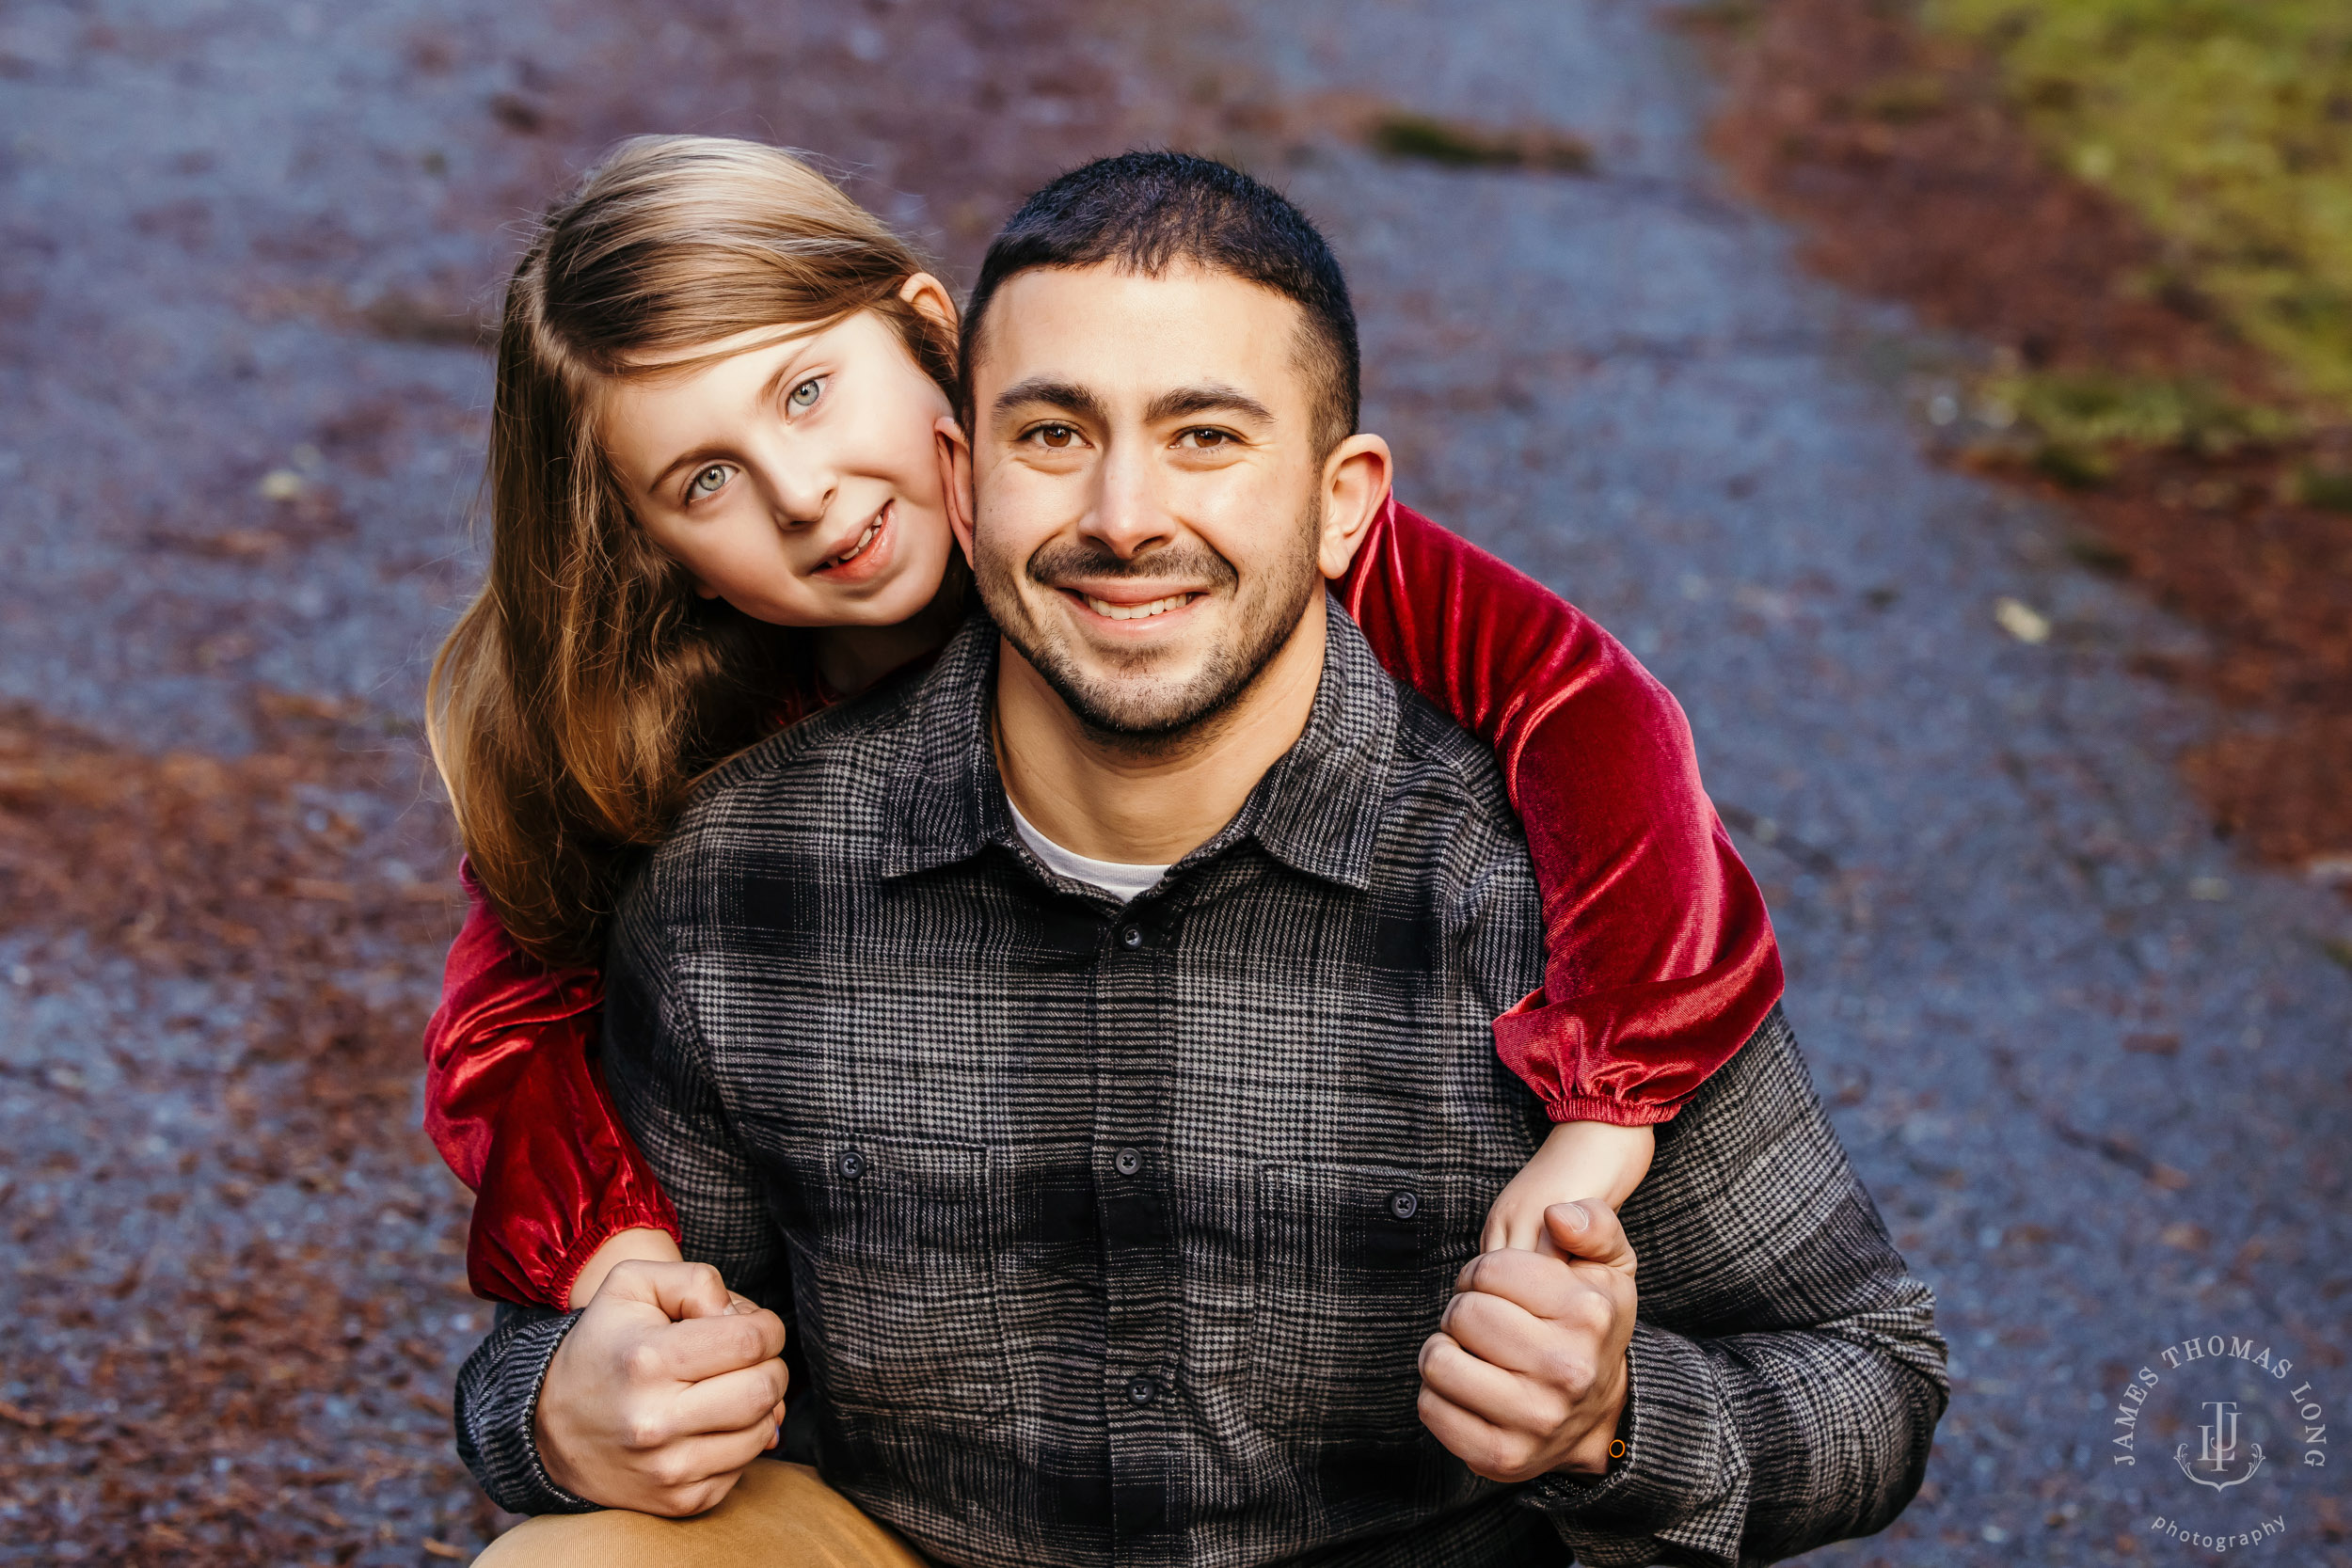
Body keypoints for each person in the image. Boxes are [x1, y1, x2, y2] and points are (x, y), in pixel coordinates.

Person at [453, 150, 1947, 1567]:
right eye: (1056, 435)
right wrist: (557, 1417)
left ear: (1343, 499)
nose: (1123, 518)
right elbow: (568, 1309)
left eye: (1206, 437)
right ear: (981, 457)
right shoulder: (734, 876)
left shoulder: (1537, 890)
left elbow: (1869, 1378)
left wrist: (1620, 1420)